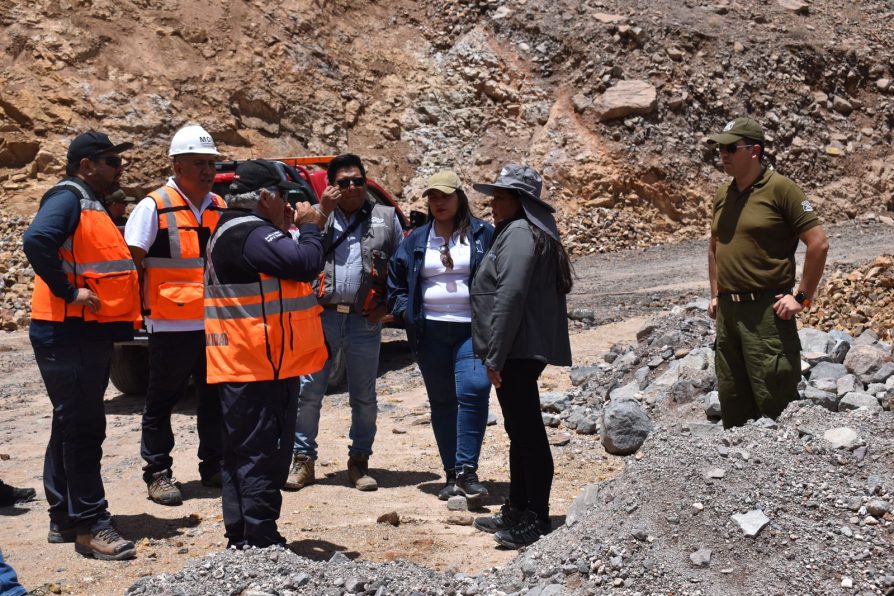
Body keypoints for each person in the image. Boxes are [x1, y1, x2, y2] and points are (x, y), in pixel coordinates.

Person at [23, 131, 140, 561]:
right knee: (84, 426)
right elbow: (36, 240)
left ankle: (64, 516)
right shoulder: (70, 196)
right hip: (66, 328)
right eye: (112, 161)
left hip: (81, 330)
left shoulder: (90, 200)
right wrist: (70, 293)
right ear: (86, 164)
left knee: (70, 422)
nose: (118, 169)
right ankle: (92, 525)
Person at [204, 159, 330, 548]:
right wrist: (310, 227)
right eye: (284, 197)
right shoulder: (250, 233)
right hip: (257, 363)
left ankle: (242, 534)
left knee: (242, 452)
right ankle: (260, 537)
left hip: (250, 361)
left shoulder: (236, 229)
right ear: (264, 197)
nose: (290, 206)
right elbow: (306, 262)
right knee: (262, 451)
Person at [285, 154, 403, 492]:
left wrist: (388, 307)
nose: (352, 187)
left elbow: (400, 267)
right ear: (331, 187)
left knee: (364, 396)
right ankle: (303, 460)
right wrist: (321, 210)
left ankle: (359, 462)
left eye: (358, 180)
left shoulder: (386, 217)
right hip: (321, 317)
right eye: (343, 182)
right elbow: (299, 255)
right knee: (309, 391)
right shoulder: (316, 215)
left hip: (364, 321)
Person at [469, 164, 572, 549]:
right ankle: (517, 506)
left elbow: (509, 297)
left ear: (520, 201)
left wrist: (495, 354)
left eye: (500, 197)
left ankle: (537, 518)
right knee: (519, 428)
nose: (492, 204)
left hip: (516, 349)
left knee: (527, 431)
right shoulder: (526, 231)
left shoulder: (518, 235)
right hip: (518, 347)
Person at [125, 124, 227, 505]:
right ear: (177, 164)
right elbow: (130, 263)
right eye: (199, 163)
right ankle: (157, 472)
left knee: (214, 398)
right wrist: (134, 313)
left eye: (211, 164)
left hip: (213, 321)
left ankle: (214, 465)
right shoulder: (153, 206)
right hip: (168, 323)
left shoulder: (219, 207)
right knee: (162, 400)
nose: (207, 171)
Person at [706, 117, 829, 429]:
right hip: (728, 314)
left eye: (731, 147)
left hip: (767, 313)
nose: (724, 154)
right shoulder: (723, 194)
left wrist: (802, 299)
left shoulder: (782, 190)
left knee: (775, 404)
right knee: (732, 400)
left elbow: (818, 245)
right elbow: (715, 246)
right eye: (721, 148)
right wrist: (715, 294)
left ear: (754, 150)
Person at [387, 170, 493, 501]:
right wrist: (406, 312)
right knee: (443, 401)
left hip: (471, 330)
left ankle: (467, 471)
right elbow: (396, 281)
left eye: (445, 196)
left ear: (459, 197)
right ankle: (452, 474)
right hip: (429, 331)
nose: (438, 202)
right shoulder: (416, 239)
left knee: (474, 389)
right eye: (432, 196)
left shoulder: (482, 235)